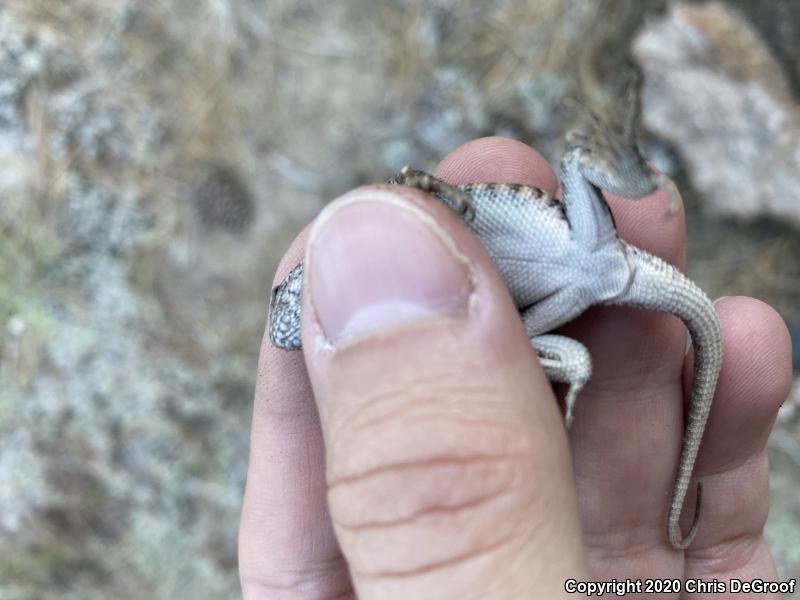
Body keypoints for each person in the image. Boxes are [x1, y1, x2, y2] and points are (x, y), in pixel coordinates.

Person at [238, 137, 791, 599]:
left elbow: (455, 207)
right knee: (553, 355)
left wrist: (432, 191)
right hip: (566, 285)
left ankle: (636, 193)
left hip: (584, 240)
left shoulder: (412, 228)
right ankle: (574, 381)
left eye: (299, 292)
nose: (300, 310)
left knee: (576, 159)